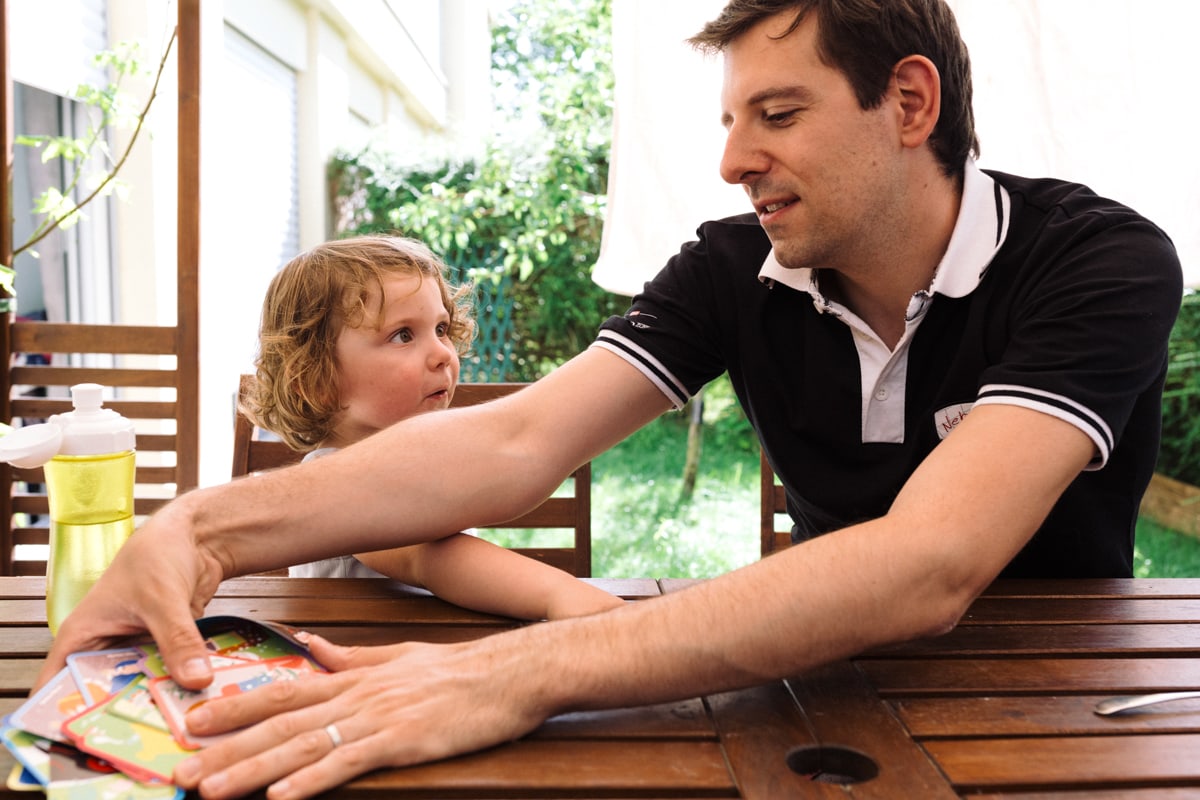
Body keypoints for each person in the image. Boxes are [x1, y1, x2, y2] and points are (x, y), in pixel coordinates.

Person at [37, 2, 1181, 798]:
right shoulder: (738, 267)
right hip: (822, 675)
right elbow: (519, 437)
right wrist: (200, 525)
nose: (733, 158)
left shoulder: (1100, 260)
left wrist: (522, 667)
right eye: (730, 121)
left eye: (776, 116)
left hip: (1073, 702)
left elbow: (933, 561)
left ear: (911, 101)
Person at [241, 235, 622, 620]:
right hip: (363, 667)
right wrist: (562, 597)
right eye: (403, 335)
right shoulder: (334, 483)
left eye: (441, 329)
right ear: (319, 382)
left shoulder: (423, 464)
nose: (443, 354)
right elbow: (430, 558)